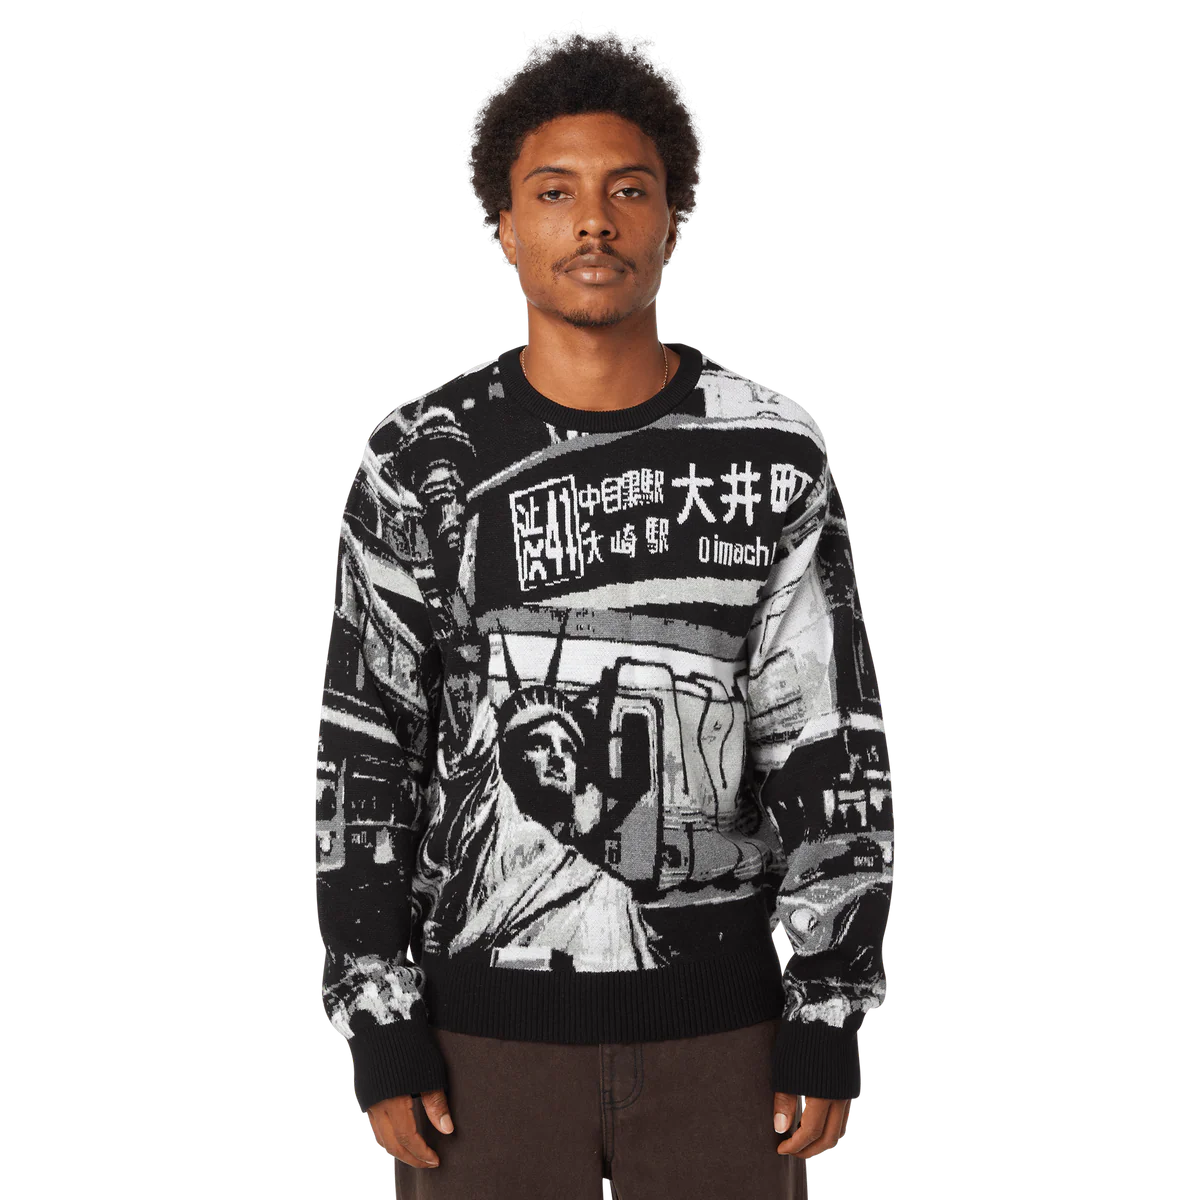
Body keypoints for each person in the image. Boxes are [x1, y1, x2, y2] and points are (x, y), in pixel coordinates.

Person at [313, 29, 895, 1200]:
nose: (593, 222)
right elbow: (365, 743)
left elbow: (828, 736)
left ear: (672, 221)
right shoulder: (415, 458)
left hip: (728, 1043)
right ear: (504, 225)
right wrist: (377, 1014)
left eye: (628, 190)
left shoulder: (775, 452)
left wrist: (828, 1007)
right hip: (478, 1048)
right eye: (554, 192)